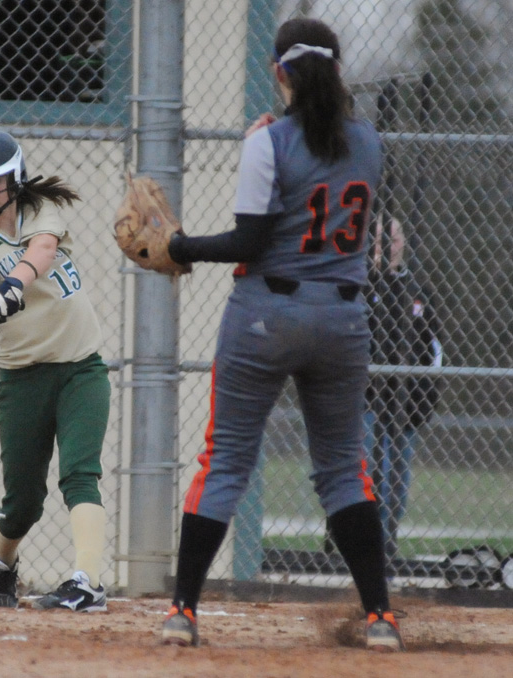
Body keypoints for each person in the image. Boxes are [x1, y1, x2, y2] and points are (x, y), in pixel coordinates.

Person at [159, 18, 404, 651]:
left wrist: (178, 245)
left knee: (227, 461)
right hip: (344, 320)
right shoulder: (371, 142)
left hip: (266, 314)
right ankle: (380, 618)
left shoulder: (269, 142)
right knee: (345, 471)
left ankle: (183, 611)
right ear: (338, 71)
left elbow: (249, 241)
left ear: (280, 73)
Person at [0, 130, 110, 611]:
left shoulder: (40, 211)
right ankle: (2, 563)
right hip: (21, 375)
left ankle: (88, 582)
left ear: (15, 178)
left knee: (80, 473)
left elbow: (39, 253)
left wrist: (12, 287)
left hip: (81, 366)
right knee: (23, 501)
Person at [364, 217, 442, 560]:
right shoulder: (358, 286)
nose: (387, 246)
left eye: (393, 238)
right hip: (364, 406)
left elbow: (434, 353)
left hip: (403, 408)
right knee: (368, 479)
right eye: (379, 240)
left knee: (396, 488)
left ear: (403, 243)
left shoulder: (418, 294)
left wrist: (420, 405)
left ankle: (386, 550)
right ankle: (359, 550)